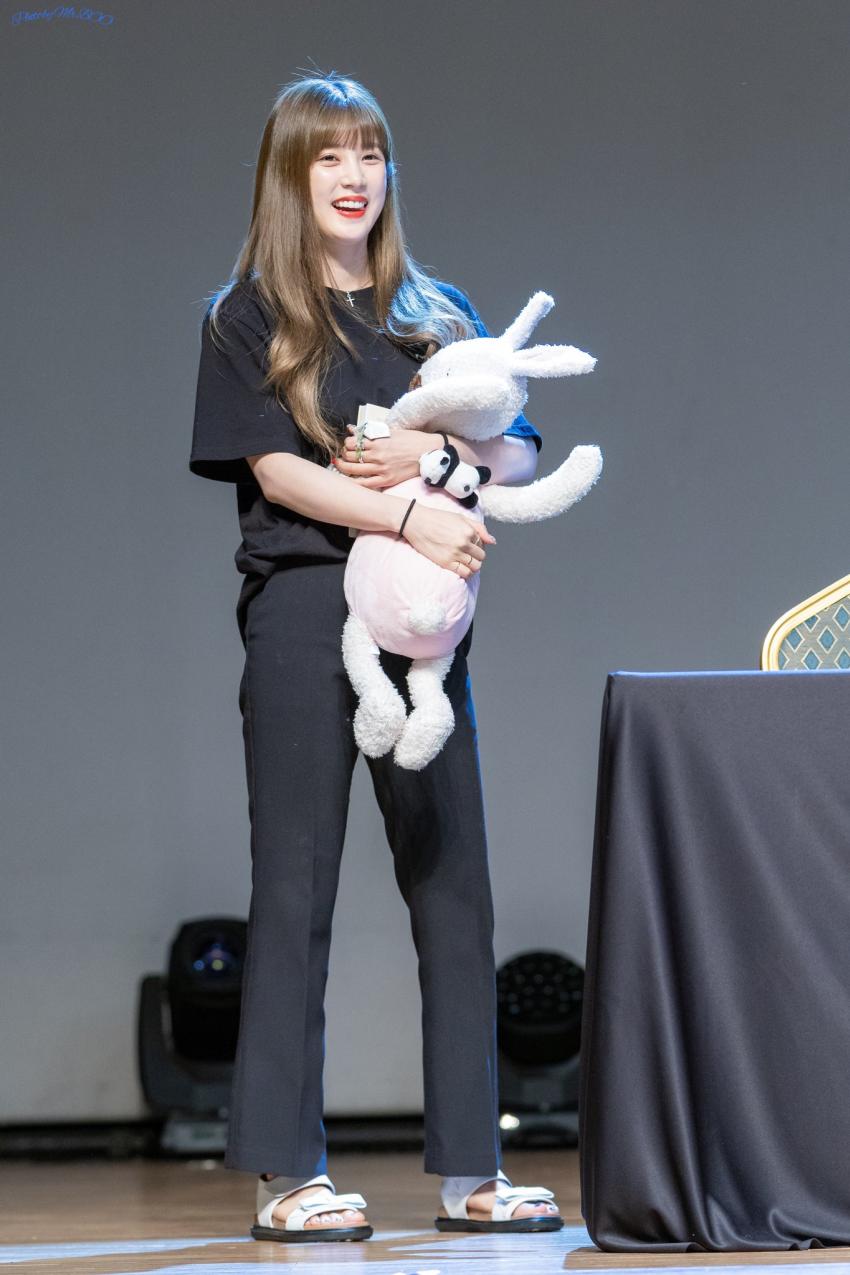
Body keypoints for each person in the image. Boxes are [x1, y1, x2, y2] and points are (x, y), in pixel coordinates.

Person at [189, 70, 564, 1243]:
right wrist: (405, 510)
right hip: (305, 609)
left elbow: (512, 445)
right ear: (290, 176)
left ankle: (471, 1170)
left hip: (423, 627)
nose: (353, 176)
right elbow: (276, 470)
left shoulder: (436, 311)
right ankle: (288, 1173)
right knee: (294, 887)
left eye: (368, 152)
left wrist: (436, 466)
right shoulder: (248, 313)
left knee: (454, 886)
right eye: (328, 156)